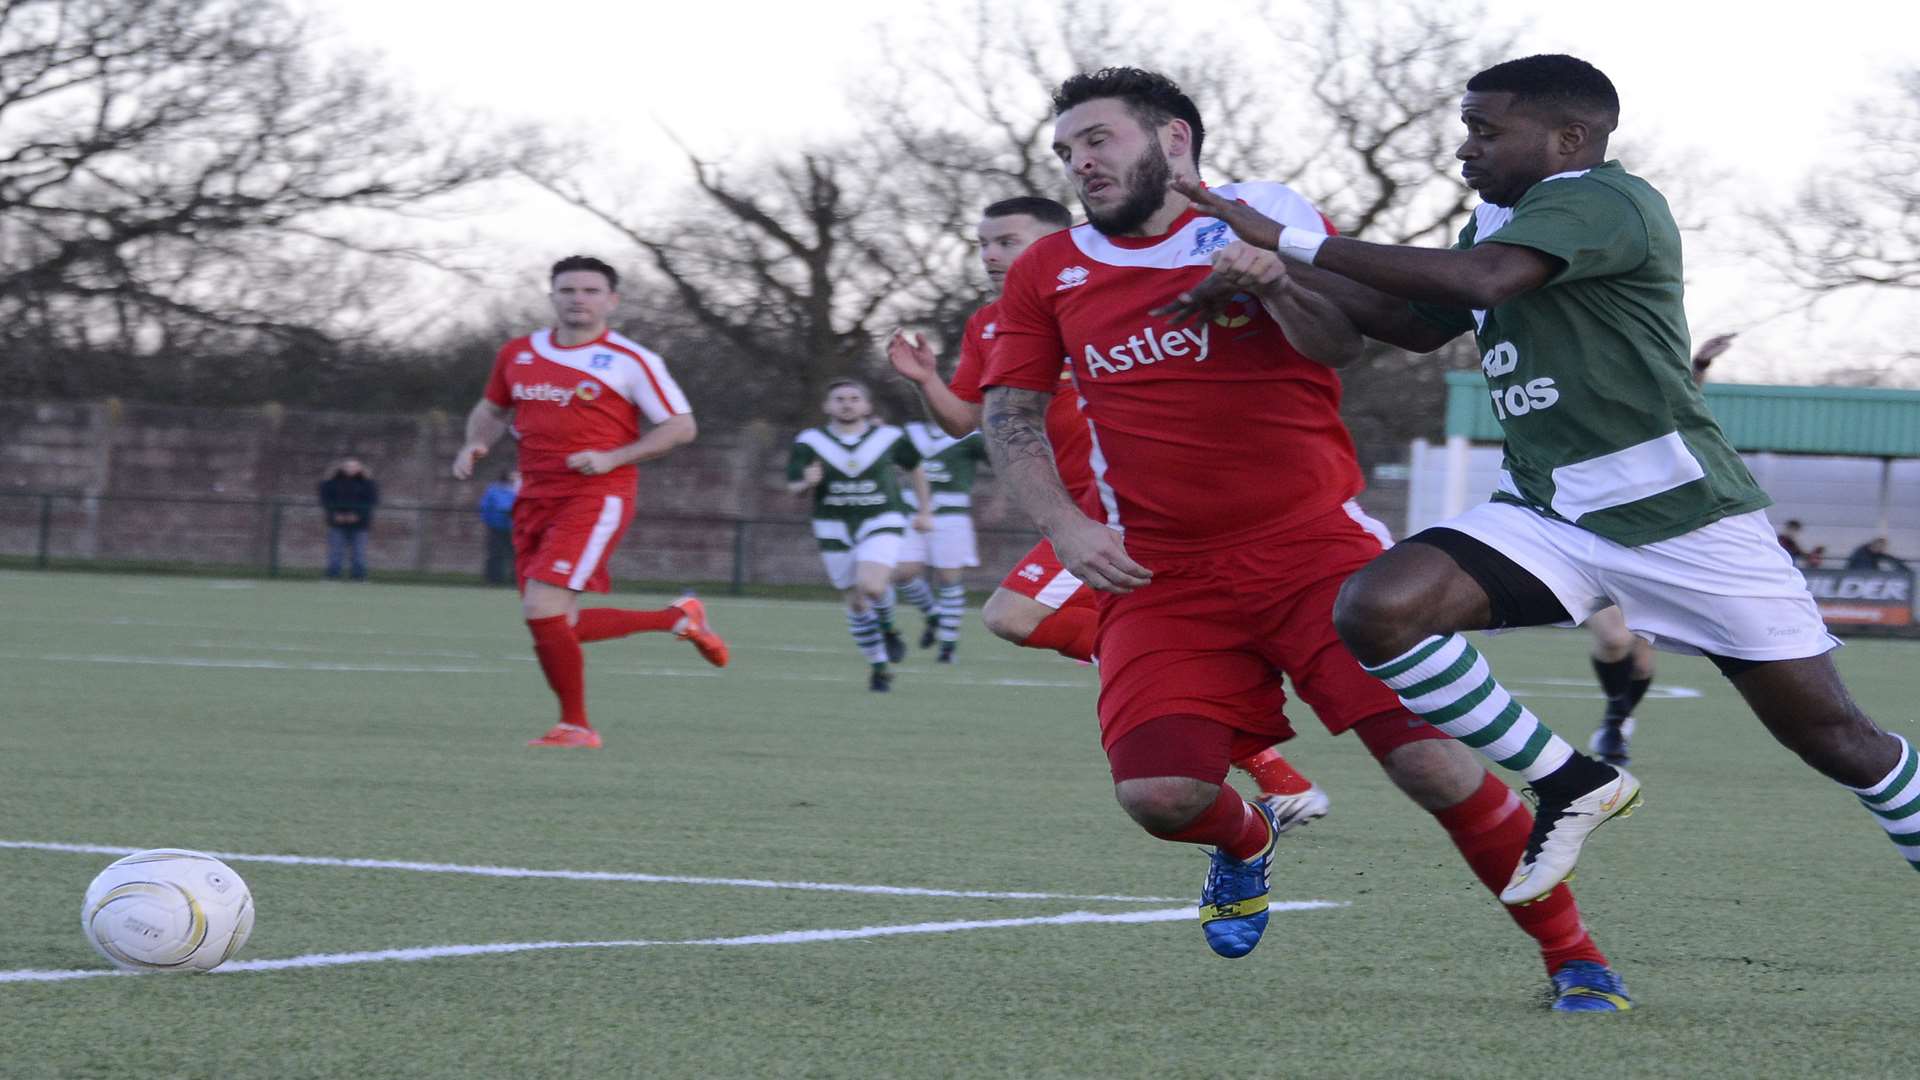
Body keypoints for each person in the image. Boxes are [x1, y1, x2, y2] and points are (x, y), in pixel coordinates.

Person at [1163, 54, 1913, 907]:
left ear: (1570, 136)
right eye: (1465, 130)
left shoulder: (1608, 200)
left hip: (1682, 519)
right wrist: (1275, 273)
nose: (1464, 151)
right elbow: (1412, 323)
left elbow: (1482, 283)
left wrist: (1286, 238)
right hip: (1549, 508)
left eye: (1485, 131)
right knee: (1378, 608)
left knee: (1839, 741)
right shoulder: (1495, 220)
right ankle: (1568, 780)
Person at [980, 67, 1627, 1011]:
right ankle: (1247, 841)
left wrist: (1278, 279)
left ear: (1172, 142)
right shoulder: (1049, 269)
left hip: (1315, 552)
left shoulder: (1263, 214)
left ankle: (1574, 956)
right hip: (1161, 574)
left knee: (1433, 765)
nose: (1081, 162)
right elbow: (1011, 414)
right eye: (1068, 150)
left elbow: (1338, 346)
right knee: (1160, 798)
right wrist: (1067, 524)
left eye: (1098, 139)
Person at [889, 197, 1329, 830]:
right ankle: (1249, 741)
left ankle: (1230, 715)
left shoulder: (1109, 294)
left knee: (1013, 614)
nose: (990, 255)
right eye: (983, 243)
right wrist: (925, 381)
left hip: (1132, 504)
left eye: (1007, 241)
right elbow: (966, 420)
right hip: (1078, 514)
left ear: (1058, 243)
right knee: (1058, 628)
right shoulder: (991, 324)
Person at [451, 255, 729, 749]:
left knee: (542, 608)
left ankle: (576, 726)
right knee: (558, 622)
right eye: (568, 289)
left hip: (596, 495)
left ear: (612, 300)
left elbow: (681, 427)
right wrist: (477, 442)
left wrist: (613, 457)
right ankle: (677, 618)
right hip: (533, 497)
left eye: (591, 290)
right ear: (552, 295)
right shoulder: (518, 353)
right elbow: (493, 409)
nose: (579, 298)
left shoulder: (632, 359)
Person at [787, 379, 929, 692]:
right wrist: (807, 482)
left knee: (873, 587)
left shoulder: (889, 437)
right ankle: (879, 668)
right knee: (856, 604)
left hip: (882, 518)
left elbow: (916, 467)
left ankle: (890, 628)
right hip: (832, 525)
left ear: (867, 406)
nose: (847, 404)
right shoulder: (810, 441)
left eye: (854, 398)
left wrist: (925, 510)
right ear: (827, 406)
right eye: (839, 399)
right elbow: (794, 486)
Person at [891, 420, 987, 663]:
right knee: (902, 573)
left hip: (951, 515)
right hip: (911, 512)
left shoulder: (970, 437)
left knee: (949, 578)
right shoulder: (910, 432)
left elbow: (1001, 461)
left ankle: (947, 646)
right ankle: (932, 614)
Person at [318, 458, 378, 581]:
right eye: (347, 466)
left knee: (359, 552)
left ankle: (359, 576)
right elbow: (326, 500)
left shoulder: (368, 484)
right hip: (336, 523)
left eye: (354, 466)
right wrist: (336, 514)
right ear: (342, 467)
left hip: (360, 525)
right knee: (335, 551)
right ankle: (332, 575)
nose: (350, 469)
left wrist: (357, 515)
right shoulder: (332, 483)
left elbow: (371, 502)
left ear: (360, 468)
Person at [479, 468, 520, 586]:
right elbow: (487, 507)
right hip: (497, 527)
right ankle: (494, 580)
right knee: (495, 554)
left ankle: (515, 580)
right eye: (513, 475)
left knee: (515, 555)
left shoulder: (517, 489)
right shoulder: (495, 489)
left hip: (513, 527)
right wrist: (490, 521)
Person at [1846, 537, 1911, 573]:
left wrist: (1905, 569)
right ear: (1874, 545)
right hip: (1857, 575)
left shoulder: (1876, 552)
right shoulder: (1861, 554)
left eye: (1883, 548)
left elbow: (1890, 559)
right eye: (1880, 548)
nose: (1881, 550)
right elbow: (1866, 569)